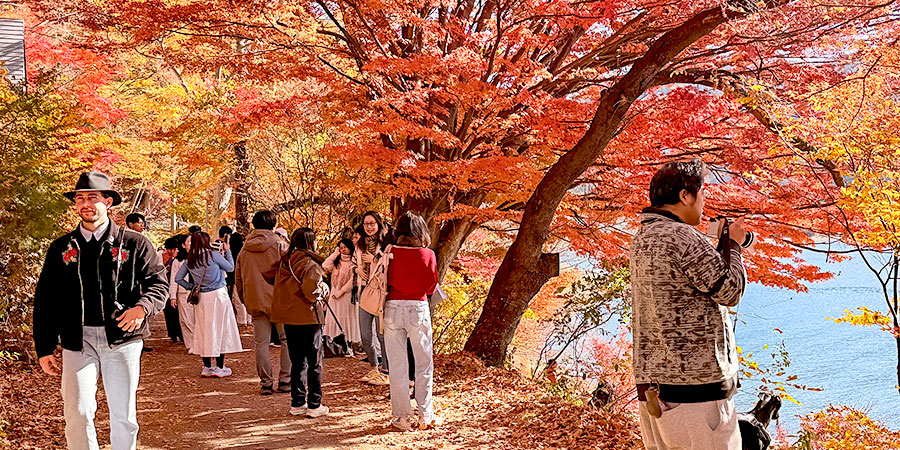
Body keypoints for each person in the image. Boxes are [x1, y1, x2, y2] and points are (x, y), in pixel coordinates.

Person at [32, 171, 168, 450]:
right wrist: (44, 346)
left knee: (123, 416)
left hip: (123, 340)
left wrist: (141, 308)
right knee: (77, 412)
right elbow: (46, 298)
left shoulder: (134, 243)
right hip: (76, 340)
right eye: (80, 198)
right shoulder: (62, 247)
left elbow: (159, 284)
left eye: (93, 197)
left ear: (108, 201)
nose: (86, 204)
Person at [630, 159, 747, 450]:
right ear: (685, 196)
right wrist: (732, 245)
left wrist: (719, 249)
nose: (704, 204)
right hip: (696, 393)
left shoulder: (643, 237)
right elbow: (730, 291)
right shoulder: (683, 237)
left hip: (655, 389)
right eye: (702, 194)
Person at [382, 211, 440, 431]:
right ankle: (426, 415)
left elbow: (383, 280)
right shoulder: (428, 254)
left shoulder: (389, 252)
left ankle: (401, 418)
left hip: (392, 308)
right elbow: (430, 287)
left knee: (397, 366)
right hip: (417, 307)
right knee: (424, 362)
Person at [267, 228, 330, 418]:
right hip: (308, 317)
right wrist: (323, 290)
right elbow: (311, 290)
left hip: (288, 317)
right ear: (311, 242)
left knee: (297, 361)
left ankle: (297, 402)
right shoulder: (310, 264)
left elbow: (269, 276)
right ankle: (314, 404)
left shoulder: (285, 261)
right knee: (314, 362)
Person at [235, 210, 291, 395]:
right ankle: (285, 380)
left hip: (256, 300)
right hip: (280, 301)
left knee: (261, 343)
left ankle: (266, 383)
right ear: (273, 225)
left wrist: (245, 299)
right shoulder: (280, 245)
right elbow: (290, 273)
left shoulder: (245, 248)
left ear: (254, 225)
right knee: (286, 340)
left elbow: (238, 277)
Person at [174, 231, 244, 377]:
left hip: (202, 298)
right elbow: (230, 268)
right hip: (219, 295)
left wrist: (191, 287)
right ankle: (220, 366)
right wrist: (228, 250)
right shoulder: (213, 255)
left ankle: (207, 367)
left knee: (203, 329)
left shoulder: (190, 259)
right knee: (220, 329)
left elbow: (178, 278)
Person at [355, 211, 390, 385]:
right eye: (366, 224)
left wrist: (374, 259)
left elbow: (388, 265)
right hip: (364, 292)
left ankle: (385, 370)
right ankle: (373, 367)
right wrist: (356, 270)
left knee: (381, 334)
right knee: (365, 335)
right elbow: (356, 263)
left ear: (379, 224)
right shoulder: (359, 244)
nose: (369, 227)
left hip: (380, 293)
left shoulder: (386, 243)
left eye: (372, 223)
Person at [322, 238, 361, 353]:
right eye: (341, 247)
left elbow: (352, 281)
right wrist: (335, 253)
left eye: (345, 247)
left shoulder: (353, 263)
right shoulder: (336, 262)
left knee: (345, 318)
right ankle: (332, 343)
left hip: (346, 296)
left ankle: (348, 343)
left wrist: (341, 291)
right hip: (334, 295)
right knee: (334, 317)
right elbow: (324, 265)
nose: (343, 250)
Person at [169, 234, 195, 353]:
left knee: (197, 319)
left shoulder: (200, 258)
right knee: (186, 320)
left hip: (199, 293)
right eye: (189, 241)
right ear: (183, 245)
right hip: (183, 294)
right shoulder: (178, 261)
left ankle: (200, 343)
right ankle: (191, 345)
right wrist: (173, 296)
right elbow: (174, 279)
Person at [161, 237, 185, 344]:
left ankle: (181, 334)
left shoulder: (179, 258)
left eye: (174, 249)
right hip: (165, 288)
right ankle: (172, 334)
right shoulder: (159, 257)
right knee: (169, 312)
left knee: (179, 312)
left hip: (177, 288)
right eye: (169, 249)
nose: (171, 252)